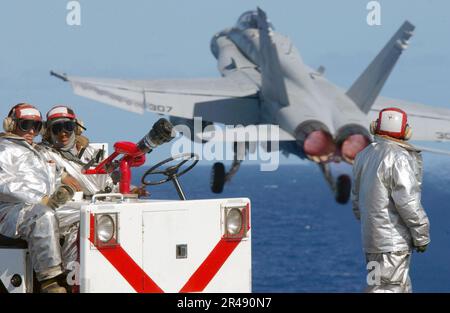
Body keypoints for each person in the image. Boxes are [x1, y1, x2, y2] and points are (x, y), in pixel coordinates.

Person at [352, 107, 430, 293]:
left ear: (375, 127)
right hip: (393, 242)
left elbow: (356, 201)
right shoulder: (399, 158)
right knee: (387, 288)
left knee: (390, 285)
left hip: (372, 239)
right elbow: (408, 202)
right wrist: (422, 235)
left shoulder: (363, 155)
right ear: (405, 132)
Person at [0, 103, 76, 293]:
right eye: (25, 125)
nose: (32, 130)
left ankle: (71, 274)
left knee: (81, 217)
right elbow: (3, 185)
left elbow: (60, 177)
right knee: (44, 215)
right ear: (11, 124)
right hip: (11, 211)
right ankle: (50, 281)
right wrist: (40, 199)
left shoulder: (40, 153)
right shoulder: (4, 150)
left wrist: (65, 190)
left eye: (37, 126)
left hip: (41, 206)